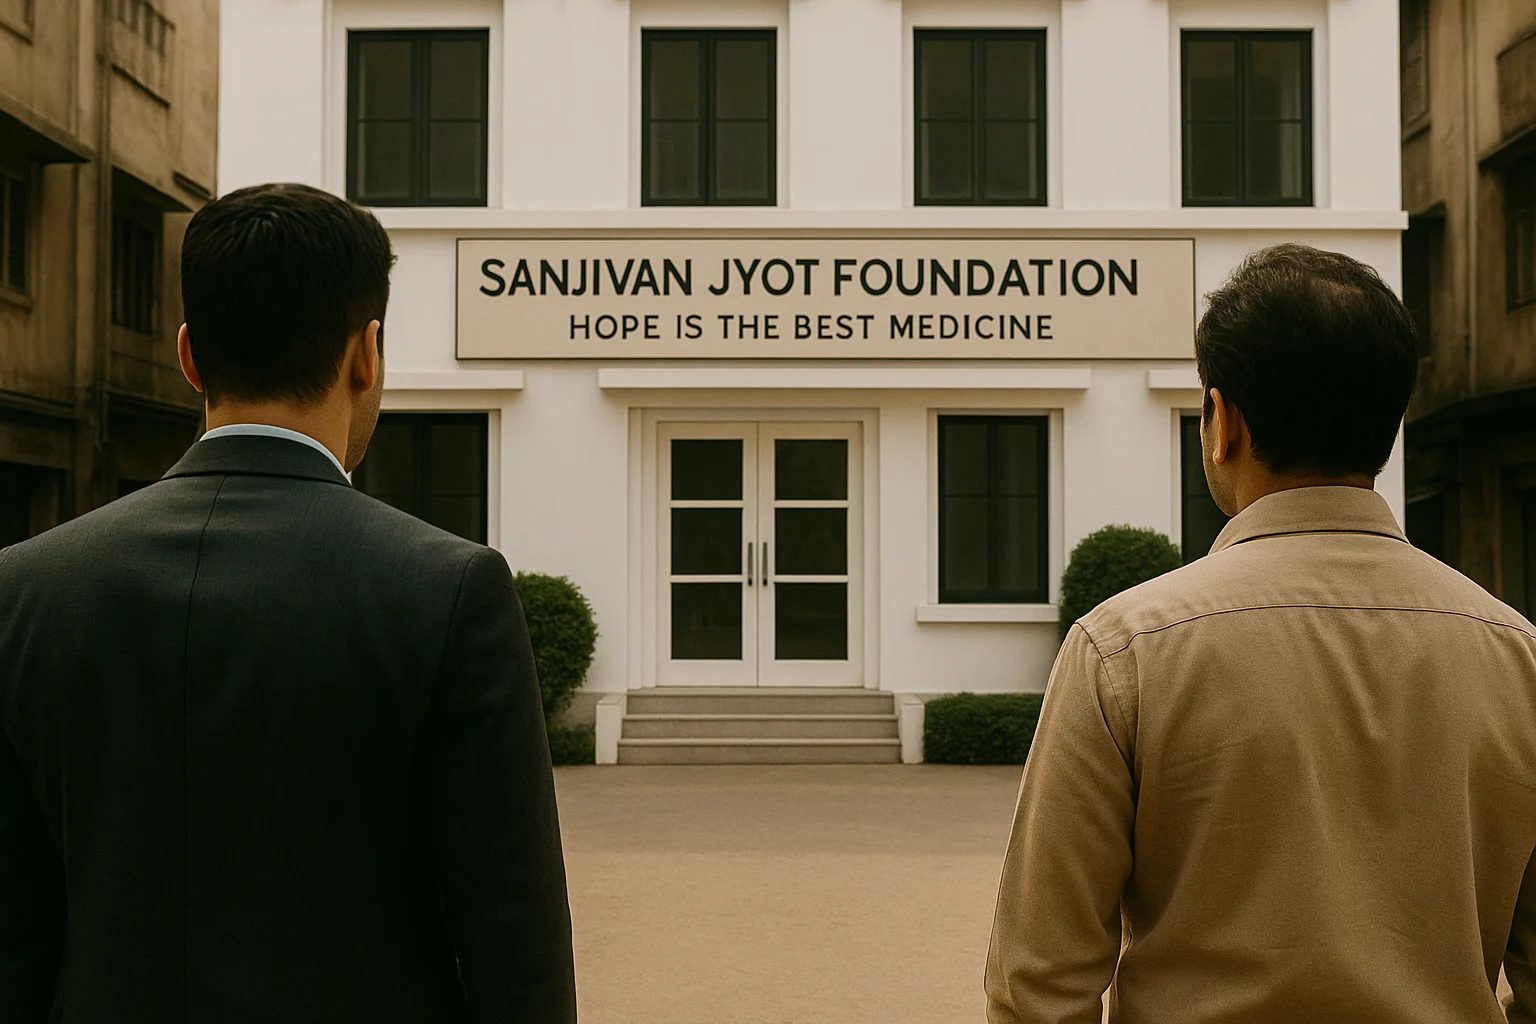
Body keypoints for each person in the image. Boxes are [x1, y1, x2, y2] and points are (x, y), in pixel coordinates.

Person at [0, 183, 577, 1023]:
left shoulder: (22, 589)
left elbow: (14, 934)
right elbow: (510, 939)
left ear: (190, 356)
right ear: (366, 353)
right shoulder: (449, 590)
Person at [985, 244, 1535, 1024]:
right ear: (1389, 421)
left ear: (1224, 422)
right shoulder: (1517, 656)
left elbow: (1039, 984)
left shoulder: (1124, 651)